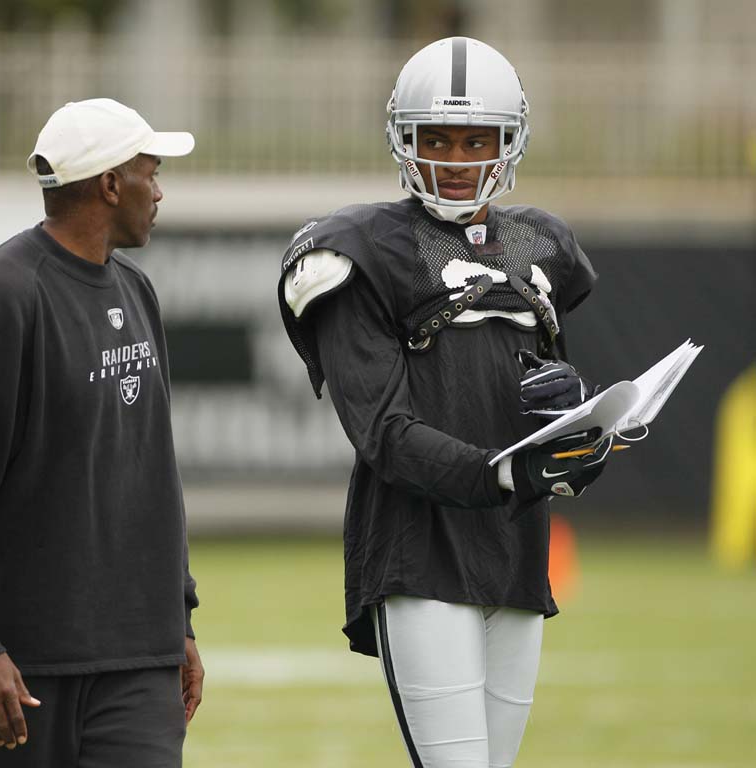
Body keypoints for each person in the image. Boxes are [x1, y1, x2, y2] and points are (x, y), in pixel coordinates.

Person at [277, 38, 612, 767]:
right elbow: (386, 434)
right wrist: (504, 472)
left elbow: (532, 403)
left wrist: (578, 425)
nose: (456, 158)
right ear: (403, 138)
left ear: (509, 140)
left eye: (475, 139)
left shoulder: (538, 242)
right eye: (436, 138)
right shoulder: (354, 250)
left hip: (516, 544)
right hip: (418, 547)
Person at [0, 98, 203, 768]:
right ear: (110, 185)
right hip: (15, 666)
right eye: (151, 171)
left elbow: (147, 473)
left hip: (135, 654)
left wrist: (177, 621)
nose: (159, 190)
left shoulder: (136, 292)